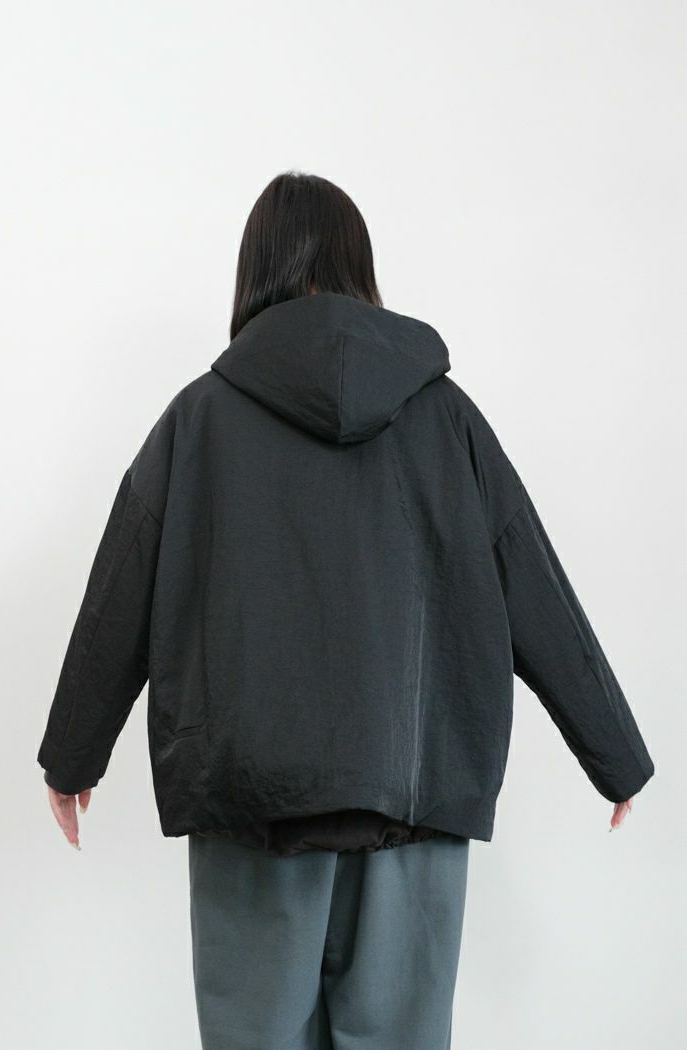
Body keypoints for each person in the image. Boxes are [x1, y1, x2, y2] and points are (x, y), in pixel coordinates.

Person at [37, 170, 655, 1049]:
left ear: (255, 270)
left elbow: (119, 591)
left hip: (250, 802)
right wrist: (614, 755)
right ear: (359, 266)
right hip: (416, 793)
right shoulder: (446, 418)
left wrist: (71, 756)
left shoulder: (198, 420)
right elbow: (531, 577)